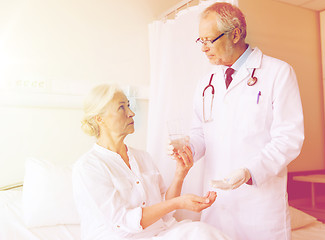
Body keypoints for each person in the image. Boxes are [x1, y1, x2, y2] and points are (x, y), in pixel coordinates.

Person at [186, 2, 304, 240]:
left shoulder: (278, 73)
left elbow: (289, 138)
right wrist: (187, 148)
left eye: (209, 40)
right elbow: (201, 132)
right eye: (201, 41)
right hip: (217, 201)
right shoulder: (206, 82)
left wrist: (250, 171)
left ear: (236, 34)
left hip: (259, 204)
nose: (204, 48)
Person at [72, 84, 231, 240]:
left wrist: (180, 174)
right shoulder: (88, 168)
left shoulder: (143, 158)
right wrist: (178, 203)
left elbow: (165, 212)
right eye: (122, 108)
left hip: (162, 232)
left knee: (204, 233)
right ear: (100, 119)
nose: (132, 113)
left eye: (129, 106)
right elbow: (123, 223)